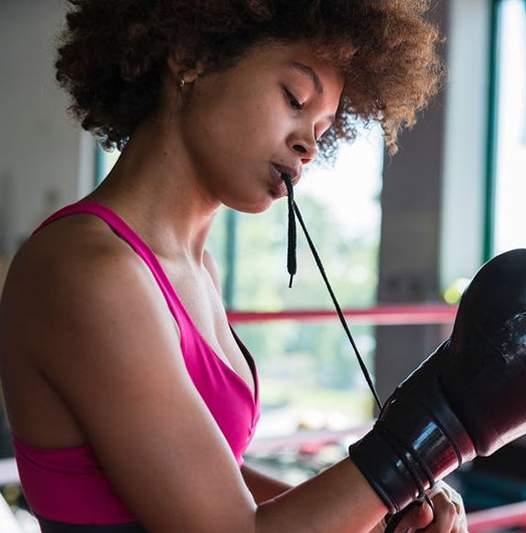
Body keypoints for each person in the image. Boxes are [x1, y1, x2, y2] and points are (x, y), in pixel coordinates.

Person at [0, 1, 464, 531]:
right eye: (294, 98)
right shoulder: (88, 269)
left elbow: (214, 482)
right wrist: (421, 443)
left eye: (323, 126)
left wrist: (381, 513)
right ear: (191, 56)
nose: (308, 144)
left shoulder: (195, 268)